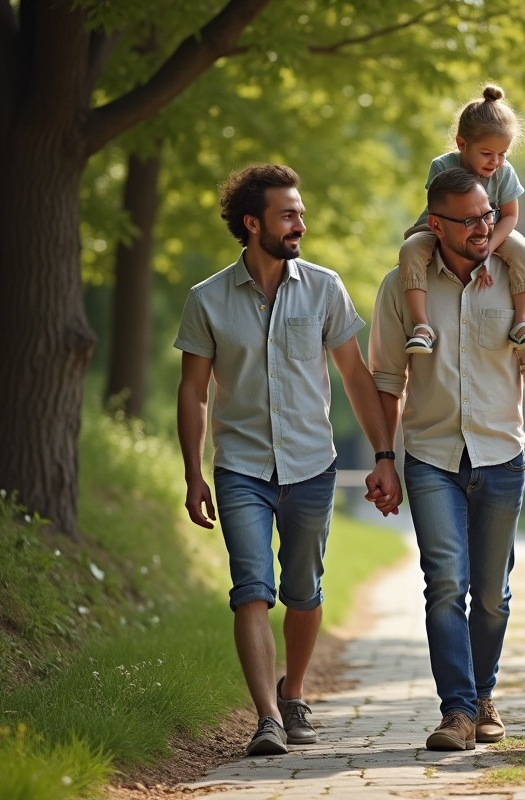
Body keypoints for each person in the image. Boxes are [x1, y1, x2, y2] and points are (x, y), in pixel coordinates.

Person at [175, 164, 401, 757]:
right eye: (288, 214)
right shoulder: (208, 300)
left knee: (304, 591)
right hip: (241, 467)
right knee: (251, 588)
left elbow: (354, 374)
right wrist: (193, 472)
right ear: (254, 224)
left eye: (300, 212)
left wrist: (383, 455)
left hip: (310, 465)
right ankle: (268, 717)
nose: (301, 223)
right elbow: (193, 392)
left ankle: (294, 692)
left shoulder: (325, 288)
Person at [369, 167, 525, 751]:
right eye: (470, 219)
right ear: (436, 224)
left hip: (502, 455)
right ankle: (456, 710)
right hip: (430, 457)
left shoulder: (519, 278)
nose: (484, 227)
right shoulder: (402, 284)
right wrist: (384, 456)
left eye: (487, 214)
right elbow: (385, 378)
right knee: (446, 583)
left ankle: (483, 694)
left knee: (494, 593)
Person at [397, 84, 525, 356]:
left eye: (502, 154)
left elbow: (510, 216)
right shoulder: (442, 166)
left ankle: (522, 322)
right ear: (462, 144)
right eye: (487, 154)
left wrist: (487, 252)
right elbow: (440, 211)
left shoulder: (504, 172)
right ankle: (422, 326)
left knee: (522, 251)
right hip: (445, 226)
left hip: (491, 230)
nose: (495, 162)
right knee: (411, 250)